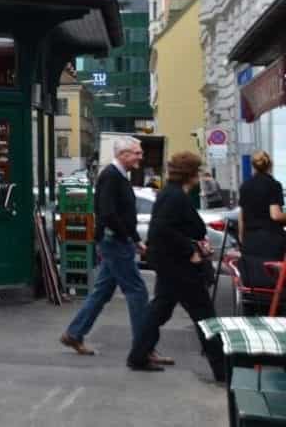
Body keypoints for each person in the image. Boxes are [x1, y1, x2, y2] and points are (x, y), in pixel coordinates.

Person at [127, 152, 226, 381]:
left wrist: (196, 245)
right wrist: (190, 250)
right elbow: (163, 229)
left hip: (169, 263)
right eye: (198, 171)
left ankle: (139, 354)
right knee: (204, 315)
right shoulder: (175, 197)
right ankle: (222, 369)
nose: (200, 175)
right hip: (179, 265)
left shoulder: (169, 194)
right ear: (190, 174)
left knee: (160, 309)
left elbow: (170, 228)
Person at [61, 136, 152, 360]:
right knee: (137, 291)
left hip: (115, 240)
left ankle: (74, 333)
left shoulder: (117, 175)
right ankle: (144, 348)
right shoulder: (111, 176)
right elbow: (109, 213)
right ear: (123, 155)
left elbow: (116, 213)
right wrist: (129, 237)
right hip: (115, 242)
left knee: (102, 291)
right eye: (137, 152)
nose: (141, 156)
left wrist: (133, 237)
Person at [237, 150, 286, 289]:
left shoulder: (245, 186)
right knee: (272, 277)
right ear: (270, 165)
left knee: (254, 276)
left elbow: (242, 215)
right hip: (271, 239)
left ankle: (253, 306)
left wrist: (242, 237)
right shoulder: (273, 185)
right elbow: (275, 215)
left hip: (250, 238)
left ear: (253, 166)